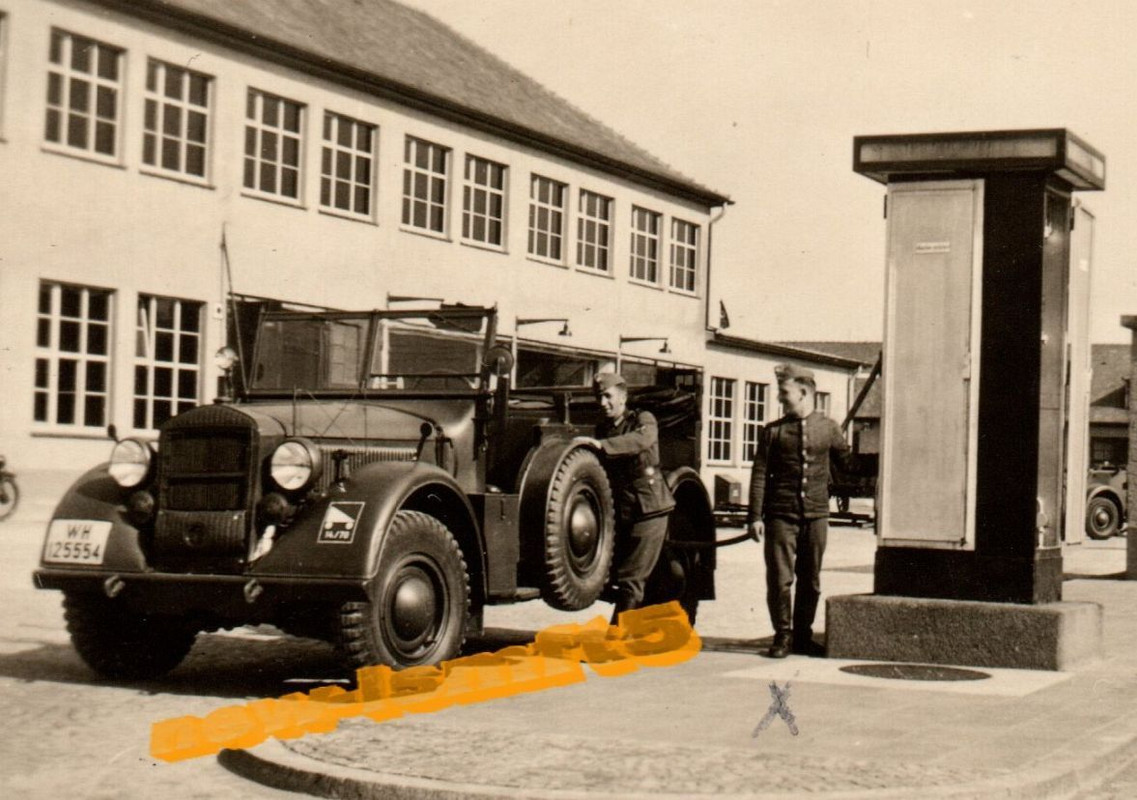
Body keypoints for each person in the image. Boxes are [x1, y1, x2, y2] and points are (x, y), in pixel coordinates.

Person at [747, 363, 851, 658]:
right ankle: (783, 635)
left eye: (784, 392)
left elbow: (848, 465)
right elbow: (759, 475)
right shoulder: (773, 432)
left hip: (816, 515)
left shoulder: (829, 428)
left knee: (811, 579)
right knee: (779, 579)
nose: (779, 398)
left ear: (803, 392)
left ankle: (803, 636)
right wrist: (754, 517)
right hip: (781, 515)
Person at [575, 372, 675, 622]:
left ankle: (616, 637)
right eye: (599, 397)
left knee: (631, 578)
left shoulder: (642, 419)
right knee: (618, 575)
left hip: (649, 508)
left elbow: (642, 440)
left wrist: (603, 446)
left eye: (608, 396)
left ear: (623, 397)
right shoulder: (604, 429)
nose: (603, 403)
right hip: (622, 510)